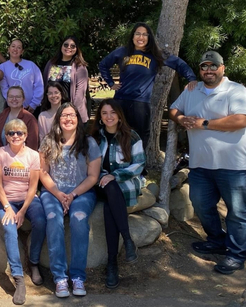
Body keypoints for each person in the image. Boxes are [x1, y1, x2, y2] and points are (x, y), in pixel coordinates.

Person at [169, 51, 246, 275]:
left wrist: (204, 123)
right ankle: (217, 240)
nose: (208, 70)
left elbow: (241, 119)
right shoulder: (192, 90)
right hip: (201, 164)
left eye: (213, 66)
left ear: (222, 68)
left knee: (237, 211)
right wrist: (180, 119)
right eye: (204, 67)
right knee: (201, 205)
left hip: (235, 165)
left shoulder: (236, 90)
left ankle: (236, 254)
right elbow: (174, 109)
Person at [99, 22, 197, 149]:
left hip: (141, 103)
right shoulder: (122, 51)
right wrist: (111, 83)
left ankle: (138, 166)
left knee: (140, 137)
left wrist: (191, 78)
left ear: (149, 37)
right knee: (118, 134)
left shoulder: (156, 54)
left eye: (145, 34)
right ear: (132, 36)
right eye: (138, 34)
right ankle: (117, 164)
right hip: (120, 100)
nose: (141, 37)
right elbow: (103, 65)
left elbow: (179, 64)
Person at [39, 103, 101, 297]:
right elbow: (43, 172)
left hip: (81, 192)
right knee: (53, 218)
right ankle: (60, 278)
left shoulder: (88, 142)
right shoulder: (48, 141)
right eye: (64, 115)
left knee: (79, 219)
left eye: (72, 115)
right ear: (58, 119)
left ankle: (77, 277)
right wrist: (58, 194)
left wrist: (72, 195)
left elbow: (93, 176)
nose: (68, 119)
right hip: (53, 192)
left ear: (78, 118)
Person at [90, 99, 145, 289]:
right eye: (104, 113)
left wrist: (115, 175)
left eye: (112, 112)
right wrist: (105, 177)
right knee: (109, 187)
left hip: (124, 184)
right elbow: (90, 166)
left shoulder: (132, 137)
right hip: (99, 183)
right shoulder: (95, 138)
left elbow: (138, 165)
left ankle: (112, 263)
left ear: (119, 115)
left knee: (109, 208)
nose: (109, 117)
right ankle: (128, 240)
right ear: (100, 117)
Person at [0, 119, 46, 305]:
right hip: (6, 200)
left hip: (28, 200)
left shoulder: (33, 155)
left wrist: (22, 211)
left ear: (26, 135)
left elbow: (33, 188)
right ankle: (18, 278)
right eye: (11, 133)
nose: (15, 136)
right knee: (9, 227)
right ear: (6, 136)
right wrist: (8, 208)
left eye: (19, 133)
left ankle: (34, 262)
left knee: (40, 221)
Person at [0, 86, 39, 172]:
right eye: (11, 96)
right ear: (7, 99)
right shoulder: (3, 115)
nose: (14, 99)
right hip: (3, 155)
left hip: (21, 157)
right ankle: (4, 176)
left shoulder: (29, 118)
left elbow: (32, 145)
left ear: (23, 99)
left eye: (18, 97)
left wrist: (17, 156)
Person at [43, 36, 89, 123]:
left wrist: (71, 112)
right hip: (51, 111)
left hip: (71, 113)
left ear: (77, 49)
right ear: (61, 46)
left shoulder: (80, 67)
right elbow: (45, 84)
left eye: (72, 46)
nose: (68, 47)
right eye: (66, 45)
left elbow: (80, 94)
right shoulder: (51, 63)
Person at [0, 39, 44, 114]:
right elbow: (4, 89)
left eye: (19, 47)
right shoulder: (2, 67)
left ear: (22, 51)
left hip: (32, 108)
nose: (15, 49)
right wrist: (14, 103)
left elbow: (39, 85)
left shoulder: (31, 65)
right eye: (13, 46)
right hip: (13, 108)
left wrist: (34, 104)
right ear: (8, 49)